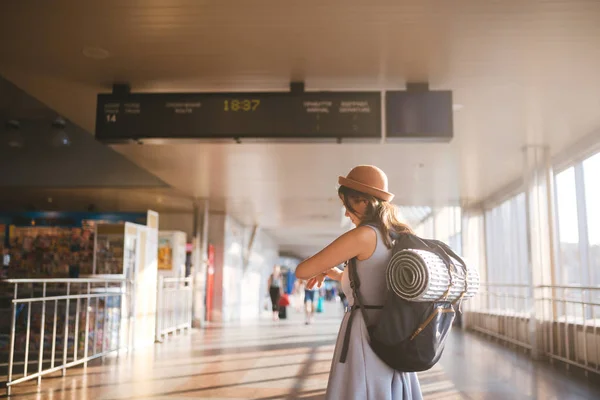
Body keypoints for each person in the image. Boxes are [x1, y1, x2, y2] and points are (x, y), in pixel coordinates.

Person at [295, 165, 422, 400]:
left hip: (366, 333)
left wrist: (321, 266)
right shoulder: (396, 234)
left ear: (364, 202)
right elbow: (373, 282)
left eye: (348, 205)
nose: (346, 214)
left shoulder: (364, 235)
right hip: (394, 330)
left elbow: (302, 270)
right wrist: (334, 273)